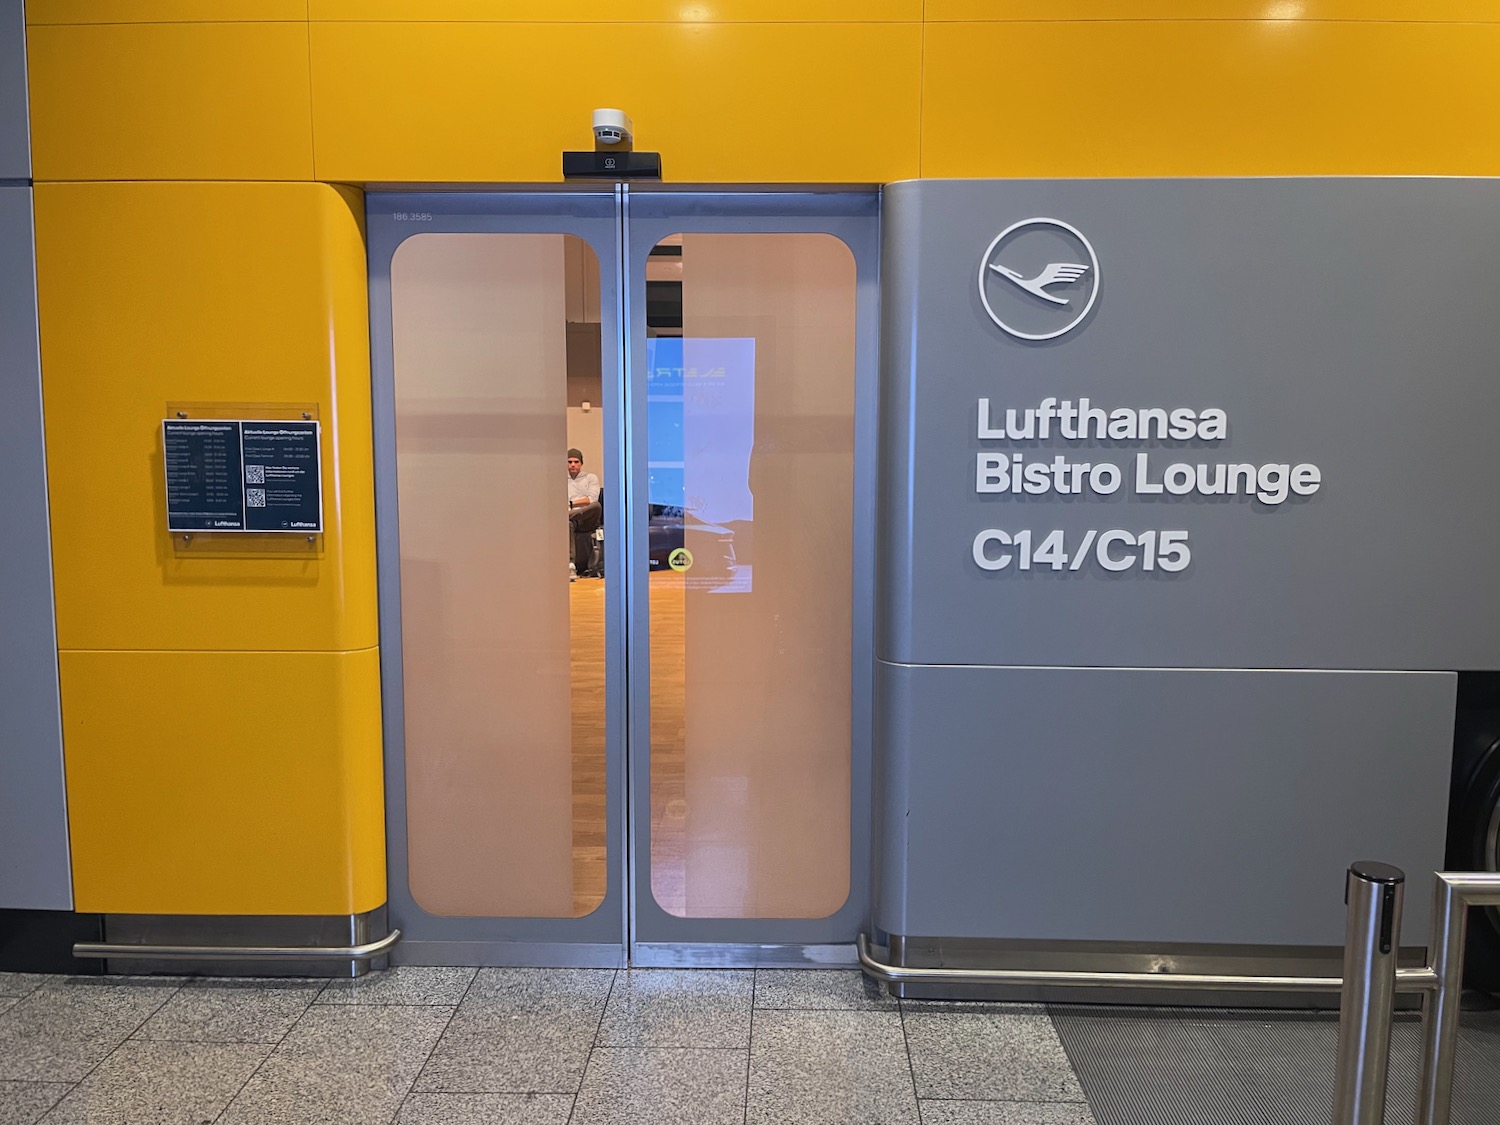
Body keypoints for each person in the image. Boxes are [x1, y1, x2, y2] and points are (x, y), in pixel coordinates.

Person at [567, 448, 601, 578]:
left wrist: (571, 504)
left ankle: (565, 516)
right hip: (572, 520)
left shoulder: (590, 478)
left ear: (581, 463)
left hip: (588, 517)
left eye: (576, 462)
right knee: (567, 522)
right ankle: (571, 565)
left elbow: (592, 499)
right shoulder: (560, 479)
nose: (573, 465)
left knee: (596, 506)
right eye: (570, 462)